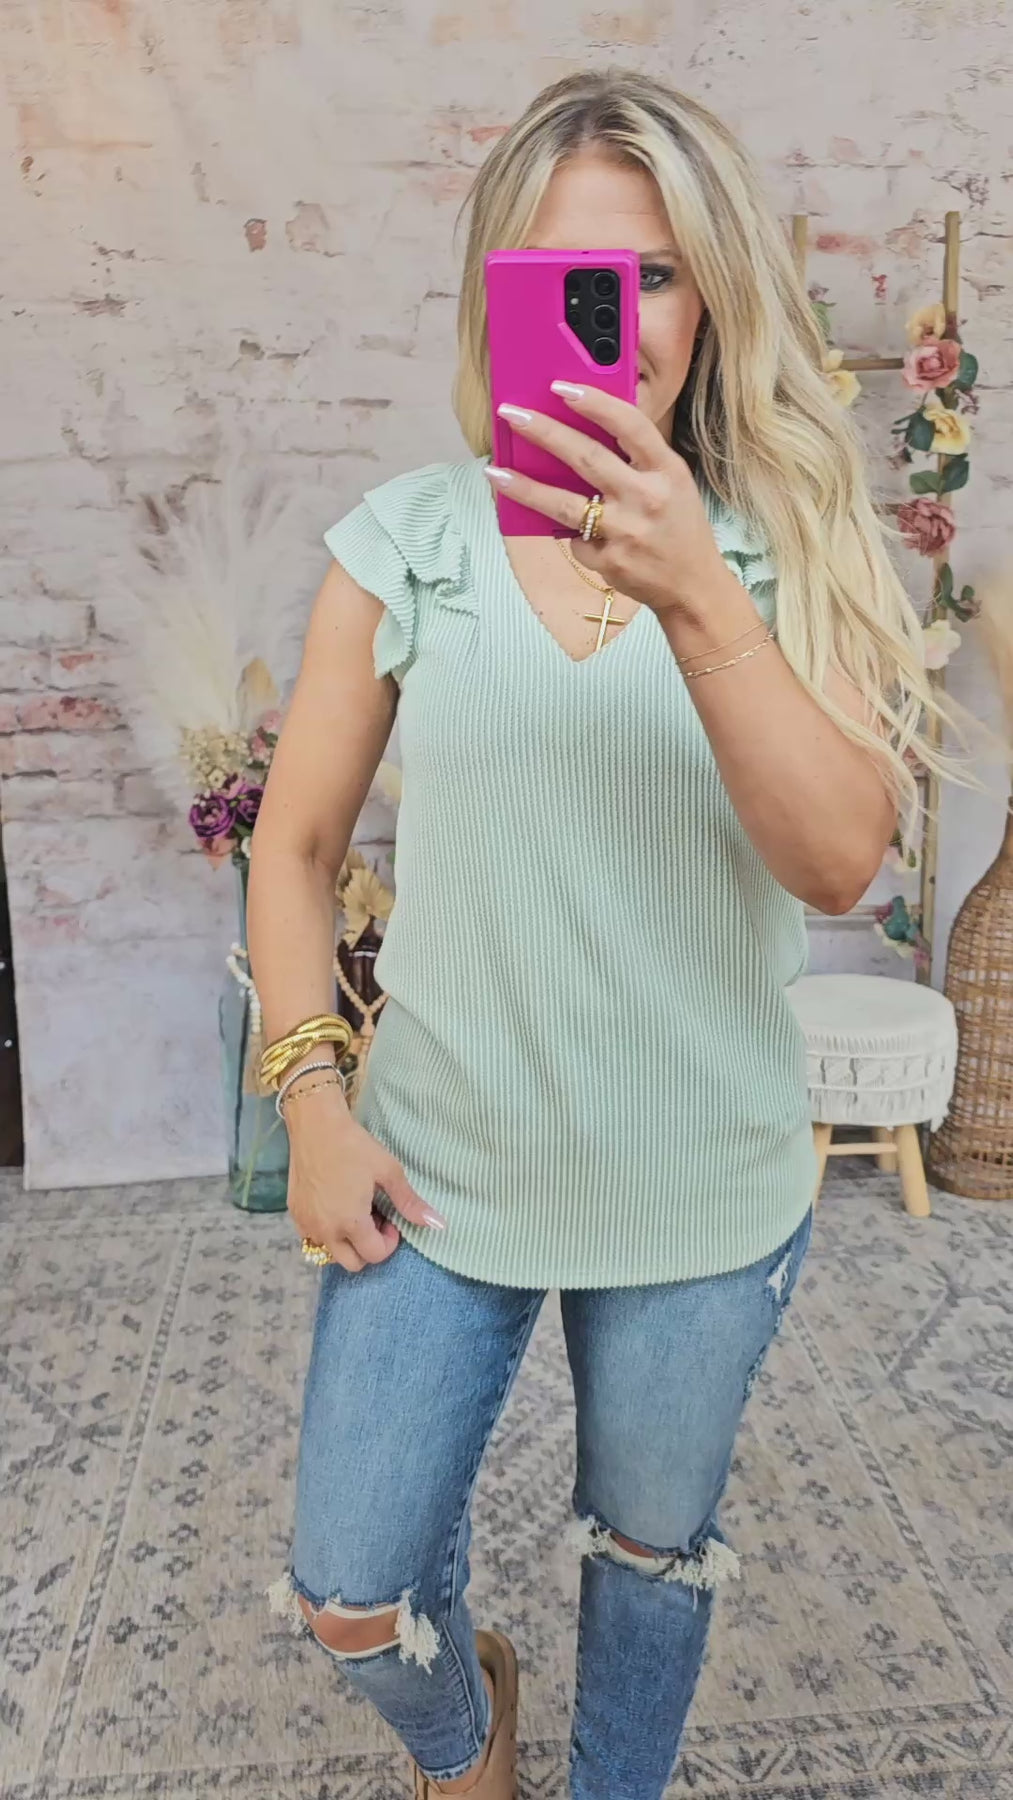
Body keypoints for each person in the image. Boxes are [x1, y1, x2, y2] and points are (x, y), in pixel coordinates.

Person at [249, 67, 977, 1800]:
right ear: (495, 294)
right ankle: (469, 1745)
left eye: (653, 274)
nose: (618, 319)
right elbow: (293, 844)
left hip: (699, 1176)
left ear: (713, 291)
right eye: (567, 277)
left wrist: (699, 595)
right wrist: (313, 1101)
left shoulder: (790, 544)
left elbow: (839, 863)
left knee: (651, 1559)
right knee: (349, 1588)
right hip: (440, 1160)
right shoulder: (408, 543)